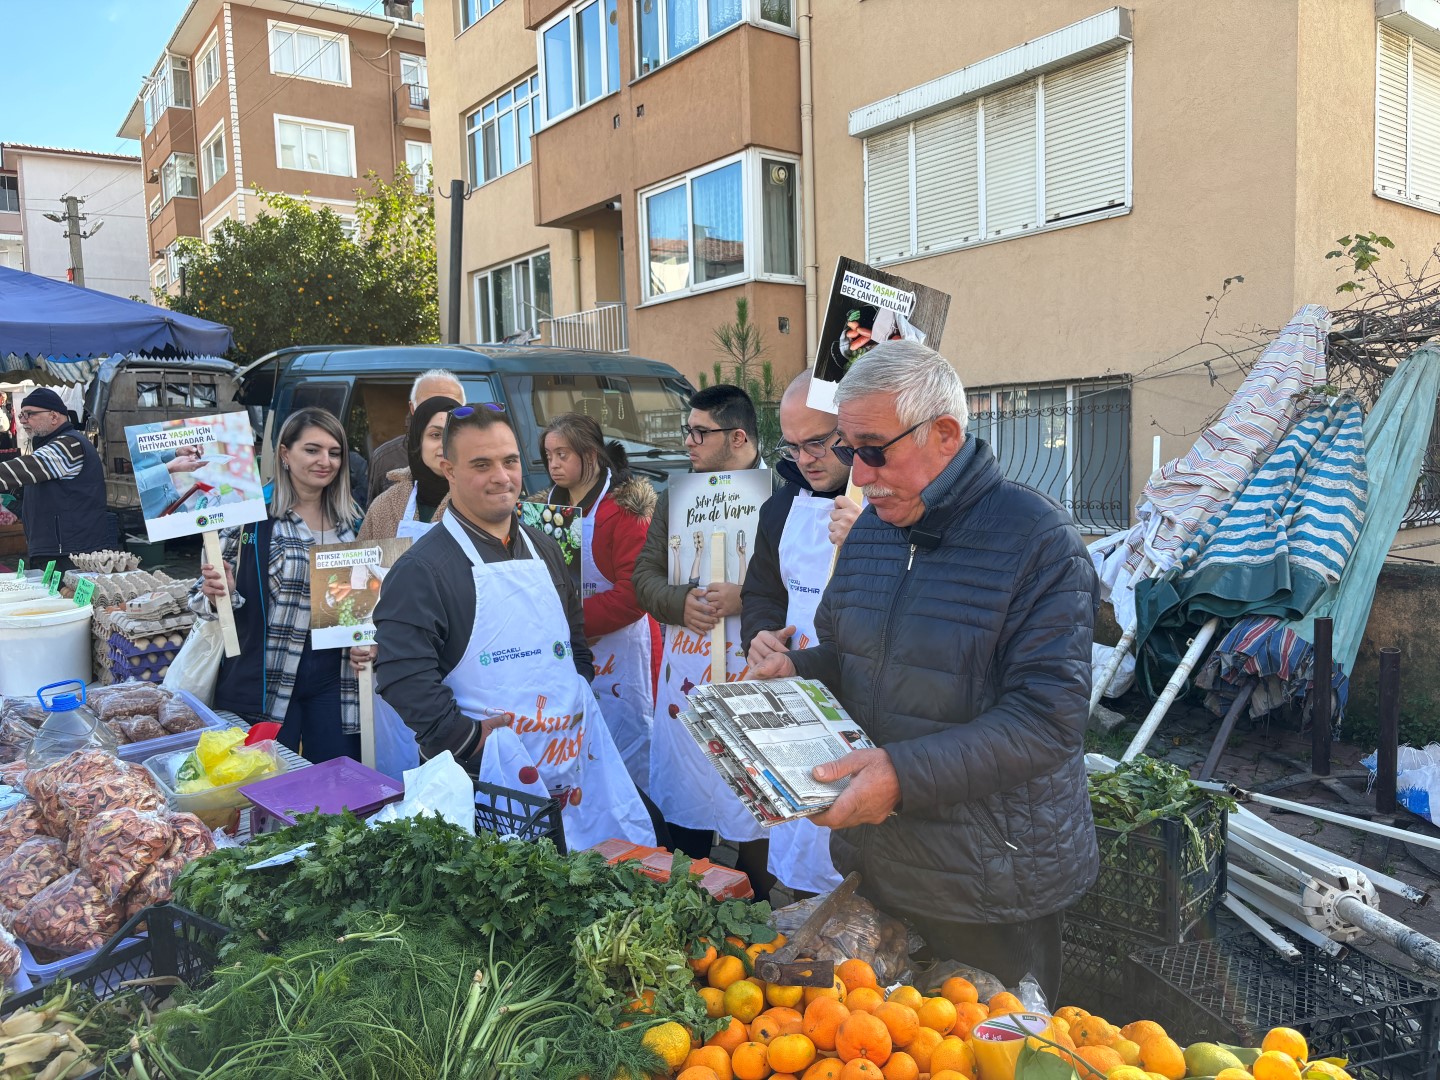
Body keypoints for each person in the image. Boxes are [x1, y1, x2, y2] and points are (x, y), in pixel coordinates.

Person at [749, 342, 1100, 1003]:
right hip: (881, 867)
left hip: (992, 886)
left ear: (945, 433)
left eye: (875, 449)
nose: (861, 473)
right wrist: (792, 671)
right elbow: (849, 657)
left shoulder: (1040, 541)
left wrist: (902, 776)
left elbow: (1047, 721)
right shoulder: (873, 532)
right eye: (850, 452)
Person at [372, 404, 654, 850]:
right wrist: (463, 739)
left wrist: (576, 686)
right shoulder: (422, 569)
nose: (501, 477)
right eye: (481, 465)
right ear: (448, 469)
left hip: (566, 767)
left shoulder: (543, 546)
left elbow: (574, 636)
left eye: (510, 461)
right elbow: (400, 674)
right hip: (483, 786)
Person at [633, 384, 773, 894]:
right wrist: (680, 601)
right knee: (687, 787)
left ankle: (757, 902)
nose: (688, 441)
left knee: (756, 792)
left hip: (751, 671)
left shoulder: (778, 499)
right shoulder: (675, 500)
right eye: (686, 431)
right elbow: (643, 577)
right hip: (686, 677)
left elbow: (800, 588)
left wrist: (748, 599)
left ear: (738, 437)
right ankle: (687, 898)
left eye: (699, 432)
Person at [193, 408, 373, 763]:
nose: (326, 461)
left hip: (336, 679)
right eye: (312, 450)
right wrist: (221, 593)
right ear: (285, 454)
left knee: (338, 784)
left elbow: (371, 598)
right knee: (267, 786)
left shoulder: (353, 521)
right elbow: (200, 599)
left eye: (334, 452)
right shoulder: (248, 516)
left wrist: (370, 639)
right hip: (267, 676)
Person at [740, 371, 860, 897]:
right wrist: (760, 635)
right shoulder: (780, 506)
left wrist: (872, 537)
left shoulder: (891, 505)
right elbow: (762, 591)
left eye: (818, 441)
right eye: (792, 445)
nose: (806, 458)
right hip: (798, 699)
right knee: (805, 836)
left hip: (866, 699)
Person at [541, 413, 660, 793]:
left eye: (563, 454)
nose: (553, 464)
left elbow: (633, 594)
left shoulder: (625, 510)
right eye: (548, 455)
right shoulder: (544, 510)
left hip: (621, 652)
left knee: (629, 748)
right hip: (570, 651)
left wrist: (574, 624)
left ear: (590, 455)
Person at [0, 387, 109, 570]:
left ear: (53, 416)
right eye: (21, 415)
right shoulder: (55, 443)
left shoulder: (69, 444)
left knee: (66, 598)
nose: (23, 421)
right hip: (57, 549)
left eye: (29, 414)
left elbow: (19, 470)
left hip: (71, 554)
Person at [359, 395, 459, 542]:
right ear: (417, 441)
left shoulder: (478, 498)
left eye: (452, 435)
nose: (445, 444)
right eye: (436, 435)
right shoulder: (385, 506)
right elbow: (361, 560)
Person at [368, 369, 466, 504]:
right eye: (428, 405)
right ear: (412, 408)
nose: (439, 414)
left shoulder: (479, 456)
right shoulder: (385, 458)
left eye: (449, 406)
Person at [133, 445, 206, 519]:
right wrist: (169, 468)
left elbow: (152, 458)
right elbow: (129, 483)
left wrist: (176, 453)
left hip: (178, 509)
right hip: (154, 522)